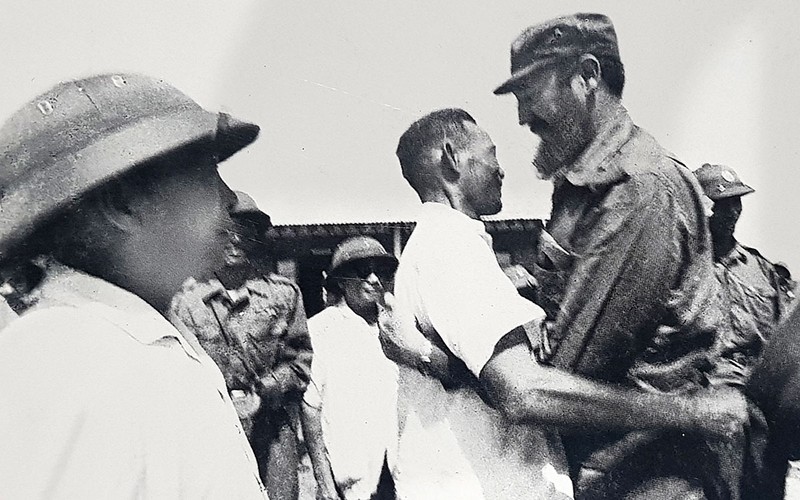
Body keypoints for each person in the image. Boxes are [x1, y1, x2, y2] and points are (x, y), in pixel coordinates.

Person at [382, 108, 746, 500]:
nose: (501, 170)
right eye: (492, 153)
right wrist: (691, 413)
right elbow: (523, 392)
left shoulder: (444, 245)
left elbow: (491, 377)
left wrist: (428, 356)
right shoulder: (451, 247)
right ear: (451, 158)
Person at [492, 13, 758, 499]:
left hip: (645, 476)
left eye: (531, 94)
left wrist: (485, 344)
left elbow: (572, 365)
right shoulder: (584, 188)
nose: (522, 118)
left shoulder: (638, 191)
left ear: (588, 76)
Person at [0, 73, 268, 499]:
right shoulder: (68, 362)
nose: (230, 197)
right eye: (206, 172)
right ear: (122, 202)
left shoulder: (131, 340)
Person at [170, 190, 313, 500]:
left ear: (256, 238)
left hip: (271, 431)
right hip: (208, 429)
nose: (235, 240)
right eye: (226, 231)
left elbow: (300, 364)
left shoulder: (284, 295)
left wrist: (268, 388)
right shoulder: (185, 301)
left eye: (245, 232)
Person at [301, 236, 400, 500]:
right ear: (341, 280)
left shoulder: (398, 326)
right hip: (352, 477)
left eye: (380, 271)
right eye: (362, 271)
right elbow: (310, 409)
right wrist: (323, 482)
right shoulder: (321, 330)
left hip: (400, 469)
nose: (374, 280)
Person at [694, 163, 796, 385]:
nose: (732, 213)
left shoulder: (762, 270)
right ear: (701, 207)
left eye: (736, 202)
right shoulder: (683, 267)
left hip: (753, 386)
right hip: (695, 391)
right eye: (722, 205)